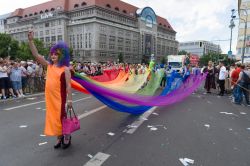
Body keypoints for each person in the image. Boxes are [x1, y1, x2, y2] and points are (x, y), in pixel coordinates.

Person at [28, 31, 73, 149]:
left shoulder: (65, 69)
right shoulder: (49, 65)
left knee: (61, 117)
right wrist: (31, 41)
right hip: (49, 98)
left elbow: (68, 85)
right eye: (52, 54)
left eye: (56, 54)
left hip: (60, 98)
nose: (53, 56)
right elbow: (36, 55)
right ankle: (59, 137)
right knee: (53, 118)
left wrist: (70, 100)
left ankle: (66, 136)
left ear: (60, 56)